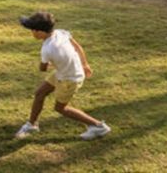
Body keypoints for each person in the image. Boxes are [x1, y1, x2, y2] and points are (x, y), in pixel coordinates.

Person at [15, 11, 111, 141]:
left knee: (60, 108)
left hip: (69, 79)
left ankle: (98, 126)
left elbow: (42, 68)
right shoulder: (61, 33)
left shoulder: (47, 49)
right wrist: (85, 64)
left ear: (41, 32)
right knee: (40, 93)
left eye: (33, 30)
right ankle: (32, 125)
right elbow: (77, 47)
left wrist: (53, 64)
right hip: (67, 71)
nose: (32, 32)